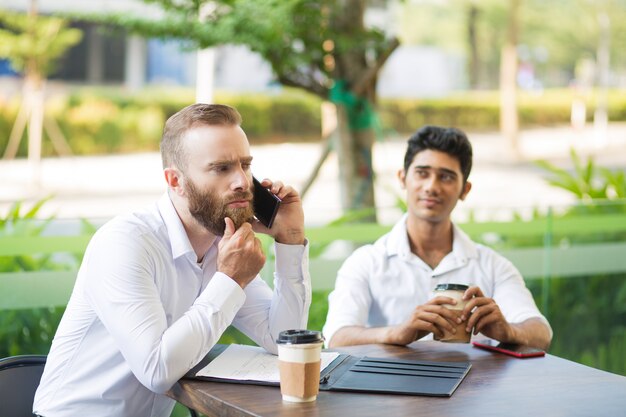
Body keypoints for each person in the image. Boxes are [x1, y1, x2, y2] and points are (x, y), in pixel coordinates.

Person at [34, 104, 311, 417]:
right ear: (175, 181)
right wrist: (230, 280)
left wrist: (290, 240)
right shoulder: (125, 243)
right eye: (222, 168)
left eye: (245, 165)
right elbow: (157, 371)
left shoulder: (223, 246)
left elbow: (284, 341)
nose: (242, 182)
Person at [323, 125, 552, 350]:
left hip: (475, 386)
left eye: (446, 177)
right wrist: (397, 332)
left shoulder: (492, 266)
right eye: (422, 173)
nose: (432, 187)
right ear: (402, 178)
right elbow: (336, 337)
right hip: (390, 387)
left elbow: (541, 333)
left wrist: (508, 331)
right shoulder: (366, 262)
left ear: (465, 190)